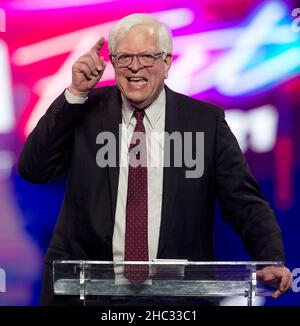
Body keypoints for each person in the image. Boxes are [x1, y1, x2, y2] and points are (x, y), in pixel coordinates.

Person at [18, 13, 292, 306]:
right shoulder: (85, 110)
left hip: (174, 299)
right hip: (89, 294)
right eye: (124, 57)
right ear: (112, 62)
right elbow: (34, 169)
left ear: (167, 62)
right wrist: (74, 94)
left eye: (147, 56)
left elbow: (243, 200)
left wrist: (271, 257)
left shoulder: (204, 122)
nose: (135, 67)